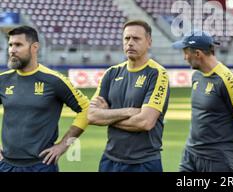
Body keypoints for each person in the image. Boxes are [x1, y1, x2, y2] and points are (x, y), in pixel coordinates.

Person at [0, 26, 89, 172]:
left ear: (34, 47)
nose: (12, 50)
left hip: (41, 165)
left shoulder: (54, 80)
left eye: (18, 45)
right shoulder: (3, 80)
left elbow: (86, 109)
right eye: (10, 45)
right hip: (6, 165)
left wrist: (63, 145)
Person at [88, 20, 170, 172]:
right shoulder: (111, 73)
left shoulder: (157, 74)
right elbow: (92, 116)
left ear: (149, 42)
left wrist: (107, 116)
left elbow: (145, 122)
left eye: (136, 39)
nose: (130, 43)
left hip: (143, 163)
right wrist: (128, 111)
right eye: (127, 38)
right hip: (109, 160)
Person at [172, 31, 233, 172]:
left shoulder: (228, 81)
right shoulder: (197, 76)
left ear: (198, 53)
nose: (185, 57)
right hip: (190, 155)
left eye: (186, 52)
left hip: (219, 159)